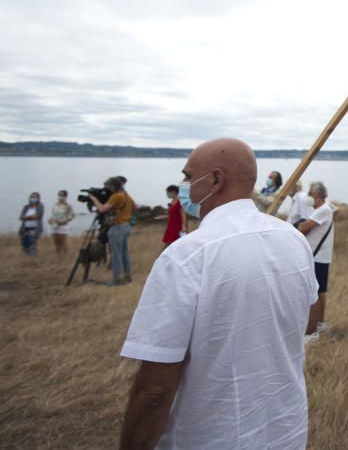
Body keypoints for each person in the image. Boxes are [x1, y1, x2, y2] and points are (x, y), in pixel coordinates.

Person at [118, 138, 317, 449]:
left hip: (213, 437)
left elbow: (154, 390)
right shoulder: (293, 240)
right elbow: (308, 321)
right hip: (286, 432)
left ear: (214, 180)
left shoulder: (186, 256)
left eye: (187, 176)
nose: (184, 185)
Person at [298, 181, 335, 344]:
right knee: (319, 291)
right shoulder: (325, 209)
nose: (308, 196)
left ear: (318, 195)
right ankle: (319, 324)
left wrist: (300, 225)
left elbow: (304, 228)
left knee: (316, 292)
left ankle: (315, 328)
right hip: (320, 256)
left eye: (310, 193)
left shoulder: (322, 210)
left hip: (317, 257)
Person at [90, 177, 134, 285]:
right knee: (124, 253)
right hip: (126, 225)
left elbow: (102, 209)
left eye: (109, 186)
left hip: (117, 227)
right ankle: (127, 275)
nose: (107, 189)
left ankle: (116, 279)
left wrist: (94, 199)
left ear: (113, 186)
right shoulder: (126, 195)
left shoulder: (116, 196)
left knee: (116, 254)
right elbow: (135, 206)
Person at [48, 190, 75, 255]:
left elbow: (72, 216)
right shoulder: (55, 205)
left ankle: (65, 256)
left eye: (62, 195)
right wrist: (50, 220)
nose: (60, 196)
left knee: (63, 243)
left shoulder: (68, 206)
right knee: (57, 243)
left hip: (63, 226)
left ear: (65, 196)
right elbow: (53, 214)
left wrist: (65, 221)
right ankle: (58, 256)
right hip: (54, 225)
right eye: (59, 195)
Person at [19, 191, 44, 256]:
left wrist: (26, 217)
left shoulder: (40, 206)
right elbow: (21, 217)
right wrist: (30, 217)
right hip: (25, 228)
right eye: (31, 197)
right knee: (25, 244)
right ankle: (26, 258)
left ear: (38, 198)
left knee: (32, 243)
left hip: (35, 228)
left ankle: (33, 258)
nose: (32, 198)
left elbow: (37, 216)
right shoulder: (26, 207)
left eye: (34, 197)